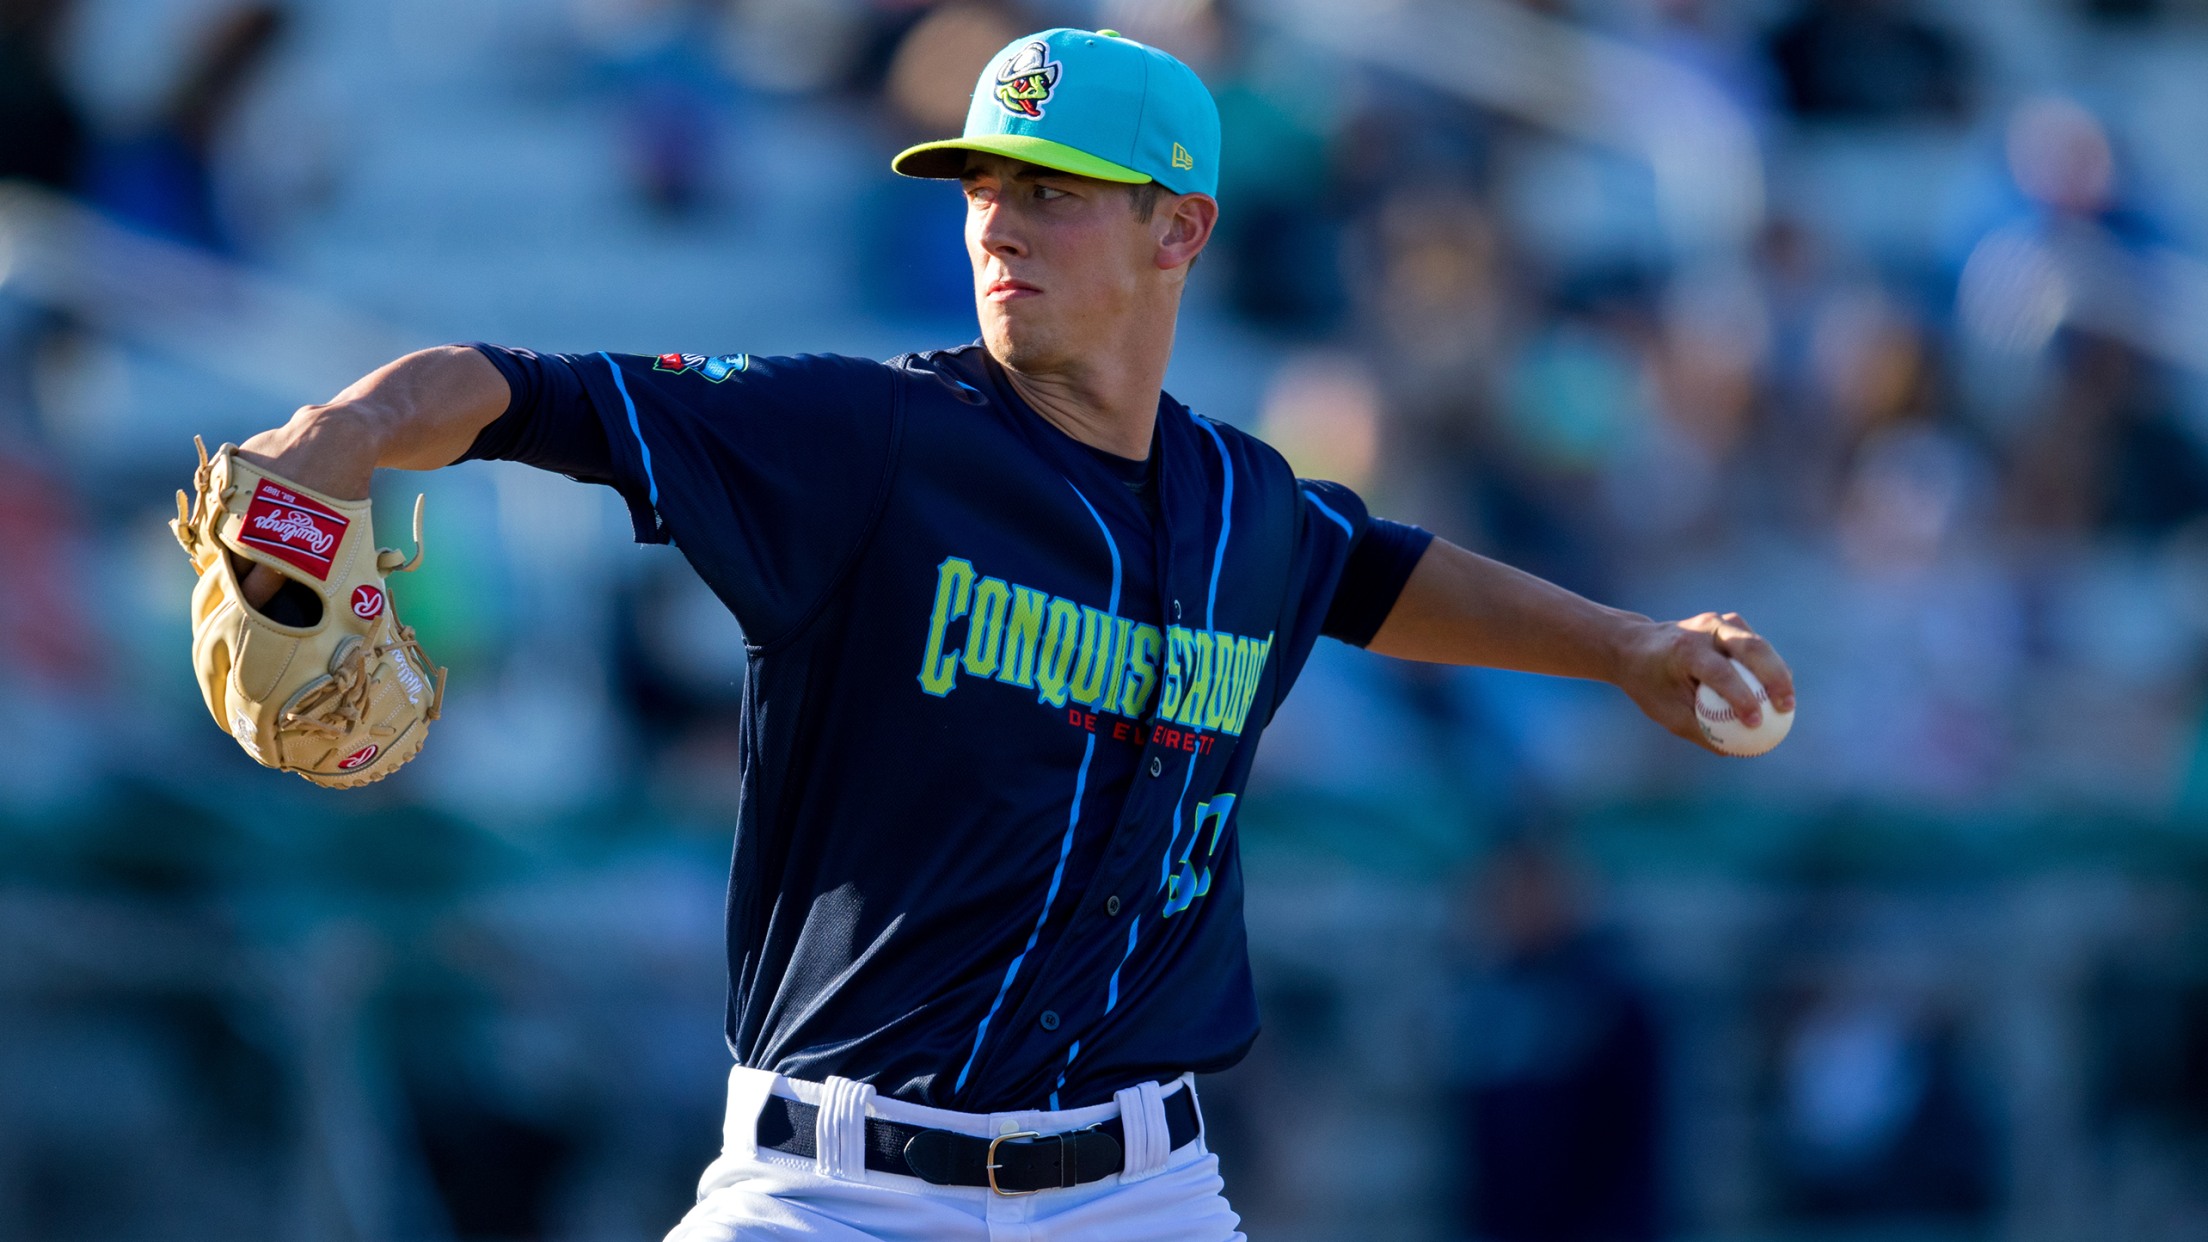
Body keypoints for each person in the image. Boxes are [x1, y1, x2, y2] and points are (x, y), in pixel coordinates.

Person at [226, 28, 1793, 1242]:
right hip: (836, 1189)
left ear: (1180, 229)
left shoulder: (1244, 505)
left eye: (1050, 190)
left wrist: (1625, 649)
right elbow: (531, 392)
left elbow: (1371, 572)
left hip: (1137, 1192)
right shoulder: (867, 443)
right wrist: (341, 434)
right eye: (981, 185)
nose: (998, 223)